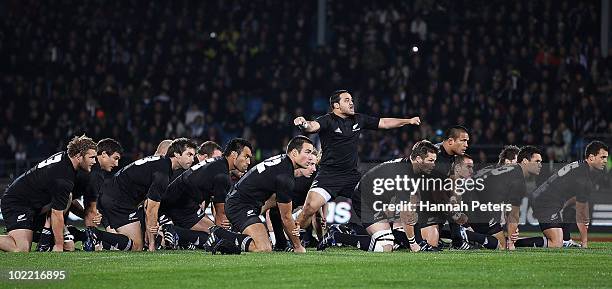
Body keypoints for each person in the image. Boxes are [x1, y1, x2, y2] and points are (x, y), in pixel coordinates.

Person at [293, 90, 420, 233]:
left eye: (352, 99)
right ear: (336, 106)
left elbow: (384, 122)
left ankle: (384, 233)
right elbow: (312, 126)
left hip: (351, 176)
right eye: (346, 100)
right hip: (328, 176)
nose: (352, 102)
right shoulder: (328, 120)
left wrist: (408, 121)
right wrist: (303, 124)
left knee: (375, 201)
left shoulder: (359, 119)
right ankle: (293, 237)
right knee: (309, 208)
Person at [318, 140, 439, 252]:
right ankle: (336, 236)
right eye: (430, 160)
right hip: (365, 200)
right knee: (385, 246)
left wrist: (419, 242)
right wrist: (413, 243)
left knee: (401, 231)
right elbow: (406, 213)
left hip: (381, 200)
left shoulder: (412, 170)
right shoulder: (404, 175)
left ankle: (351, 229)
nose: (434, 164)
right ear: (418, 159)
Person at [206, 136, 315, 254]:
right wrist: (298, 246)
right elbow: (287, 217)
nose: (310, 157)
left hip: (243, 202)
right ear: (294, 153)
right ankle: (220, 234)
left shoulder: (282, 161)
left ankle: (281, 243)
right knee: (263, 248)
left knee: (280, 204)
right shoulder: (285, 177)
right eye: (307, 152)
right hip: (240, 206)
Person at [0, 135, 97, 252]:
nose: (94, 161)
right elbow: (57, 213)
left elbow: (67, 201)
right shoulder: (63, 177)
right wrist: (58, 246)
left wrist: (86, 215)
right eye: (91, 157)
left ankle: (40, 239)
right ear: (78, 156)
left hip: (36, 206)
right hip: (18, 203)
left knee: (69, 245)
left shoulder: (66, 160)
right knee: (21, 248)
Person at [97, 138, 196, 251]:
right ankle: (96, 235)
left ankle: (97, 240)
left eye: (193, 155)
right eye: (189, 154)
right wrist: (152, 245)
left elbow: (146, 206)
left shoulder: (159, 163)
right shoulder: (162, 173)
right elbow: (151, 210)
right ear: (177, 154)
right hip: (119, 201)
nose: (192, 159)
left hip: (112, 196)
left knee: (128, 242)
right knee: (136, 246)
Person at [519, 141, 608, 249]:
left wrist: (564, 205)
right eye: (602, 157)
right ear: (591, 157)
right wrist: (584, 243)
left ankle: (566, 240)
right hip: (545, 202)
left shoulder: (580, 166)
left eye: (606, 157)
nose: (605, 161)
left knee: (575, 205)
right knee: (556, 243)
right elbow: (581, 215)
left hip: (546, 197)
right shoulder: (583, 178)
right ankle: (515, 242)